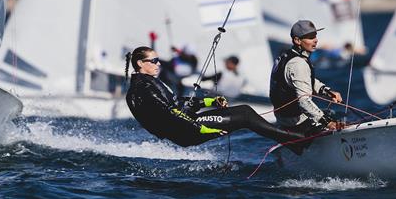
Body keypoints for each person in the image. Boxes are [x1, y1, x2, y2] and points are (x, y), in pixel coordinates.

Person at [125, 46, 306, 151]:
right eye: (154, 61)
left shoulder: (147, 82)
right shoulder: (144, 87)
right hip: (185, 130)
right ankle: (292, 141)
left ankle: (288, 138)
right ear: (141, 63)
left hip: (184, 127)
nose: (158, 64)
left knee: (242, 114)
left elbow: (176, 103)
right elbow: (171, 113)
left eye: (158, 60)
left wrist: (209, 102)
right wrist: (202, 129)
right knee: (244, 114)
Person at [269, 20, 345, 134]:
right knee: (333, 116)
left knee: (329, 114)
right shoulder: (298, 64)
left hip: (283, 119)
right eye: (310, 37)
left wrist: (328, 92)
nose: (315, 40)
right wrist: (327, 122)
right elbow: (304, 101)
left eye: (315, 35)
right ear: (297, 40)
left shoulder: (288, 55)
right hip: (295, 123)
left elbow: (304, 80)